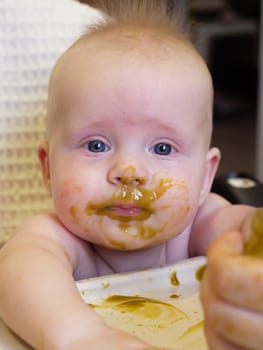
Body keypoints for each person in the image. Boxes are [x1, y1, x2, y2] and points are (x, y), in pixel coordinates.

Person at [0, 0, 260, 349]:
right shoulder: (54, 239)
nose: (129, 172)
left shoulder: (202, 223)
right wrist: (82, 336)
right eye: (96, 145)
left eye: (163, 149)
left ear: (204, 177)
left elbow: (247, 228)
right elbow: (17, 274)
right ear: (48, 168)